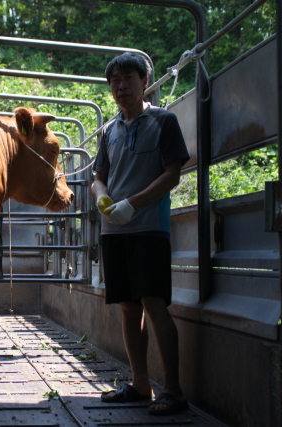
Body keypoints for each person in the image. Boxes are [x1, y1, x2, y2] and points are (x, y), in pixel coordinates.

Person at [91, 53, 190, 416]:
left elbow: (172, 173)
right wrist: (102, 197)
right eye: (114, 80)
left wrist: (132, 203)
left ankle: (174, 391)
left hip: (149, 228)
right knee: (128, 307)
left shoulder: (163, 121)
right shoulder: (110, 131)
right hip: (114, 229)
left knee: (153, 302)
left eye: (128, 78)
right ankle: (139, 383)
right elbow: (98, 177)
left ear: (144, 81)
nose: (120, 86)